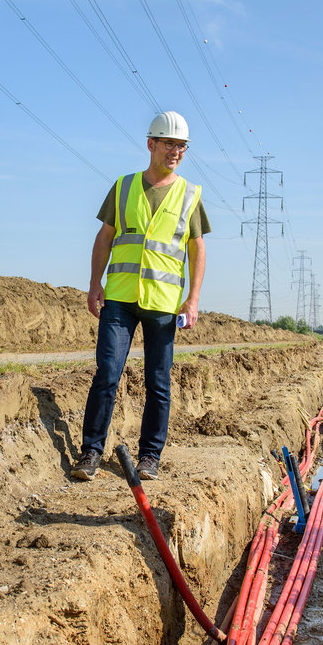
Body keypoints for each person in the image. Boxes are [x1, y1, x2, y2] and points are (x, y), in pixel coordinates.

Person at [72, 111, 210, 482]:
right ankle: (91, 452)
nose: (176, 152)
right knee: (107, 374)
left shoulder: (190, 194)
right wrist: (94, 283)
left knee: (158, 383)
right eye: (169, 144)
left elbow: (197, 250)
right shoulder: (123, 186)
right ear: (151, 144)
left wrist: (192, 299)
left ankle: (150, 456)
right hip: (119, 297)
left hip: (163, 305)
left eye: (181, 146)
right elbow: (105, 237)